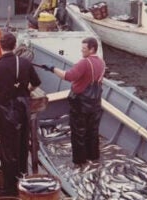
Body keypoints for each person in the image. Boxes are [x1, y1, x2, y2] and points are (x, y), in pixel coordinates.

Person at [0, 32, 41, 195]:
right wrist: (26, 89)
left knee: (8, 149)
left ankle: (9, 188)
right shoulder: (25, 63)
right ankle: (23, 178)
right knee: (22, 143)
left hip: (5, 110)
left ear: (0, 46)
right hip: (23, 107)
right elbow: (36, 83)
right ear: (15, 46)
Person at [41, 37, 105, 165]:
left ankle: (79, 161)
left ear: (92, 49)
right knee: (92, 130)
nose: (82, 51)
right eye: (81, 48)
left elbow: (68, 76)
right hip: (95, 102)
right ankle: (93, 156)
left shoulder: (85, 63)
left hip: (81, 103)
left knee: (78, 132)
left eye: (84, 49)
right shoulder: (101, 62)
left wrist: (52, 68)